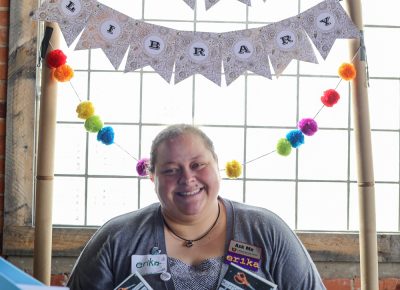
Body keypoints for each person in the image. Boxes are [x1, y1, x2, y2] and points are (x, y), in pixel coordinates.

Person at [67, 124, 326, 290]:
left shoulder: (266, 230)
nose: (187, 179)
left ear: (217, 165)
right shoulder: (118, 237)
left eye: (198, 165)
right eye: (170, 170)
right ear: (151, 177)